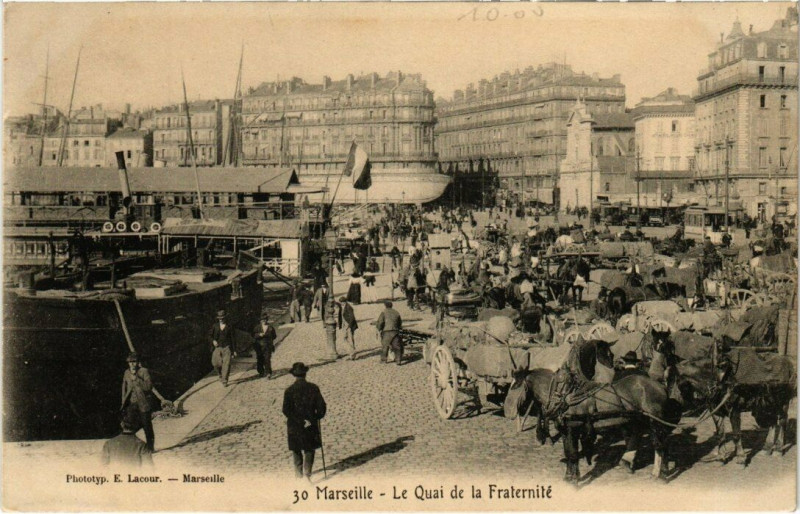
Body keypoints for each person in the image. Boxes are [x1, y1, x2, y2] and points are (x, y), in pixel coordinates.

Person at [282, 362, 327, 481]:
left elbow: (286, 410)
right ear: (305, 374)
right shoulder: (314, 388)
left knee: (296, 449)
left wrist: (298, 420)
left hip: (294, 425)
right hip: (310, 424)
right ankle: (307, 474)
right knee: (309, 449)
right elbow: (322, 407)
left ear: (294, 375)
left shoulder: (289, 391)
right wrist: (314, 418)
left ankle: (298, 475)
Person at [121, 352, 155, 452]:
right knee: (129, 426)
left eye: (134, 362)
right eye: (130, 362)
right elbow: (124, 386)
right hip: (132, 403)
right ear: (128, 363)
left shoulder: (144, 371)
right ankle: (132, 448)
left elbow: (148, 387)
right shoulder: (126, 373)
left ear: (138, 362)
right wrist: (123, 399)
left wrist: (138, 380)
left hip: (143, 403)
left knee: (147, 426)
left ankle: (150, 448)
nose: (132, 364)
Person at [211, 309, 235, 387]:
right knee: (215, 363)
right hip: (218, 347)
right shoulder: (215, 326)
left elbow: (233, 339)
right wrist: (213, 340)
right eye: (220, 318)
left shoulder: (229, 326)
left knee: (226, 364)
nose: (221, 320)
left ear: (225, 318)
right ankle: (220, 374)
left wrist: (234, 350)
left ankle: (225, 380)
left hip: (227, 347)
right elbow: (209, 336)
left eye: (222, 318)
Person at [375, 300, 403, 365]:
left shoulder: (384, 312)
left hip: (387, 331)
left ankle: (383, 360)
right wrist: (398, 328)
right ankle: (398, 360)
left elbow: (380, 322)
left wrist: (379, 329)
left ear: (385, 306)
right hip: (395, 331)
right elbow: (400, 323)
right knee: (397, 346)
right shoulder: (396, 312)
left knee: (385, 346)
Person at [253, 313, 277, 378]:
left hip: (268, 346)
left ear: (267, 320)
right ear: (260, 321)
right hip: (259, 346)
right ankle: (261, 371)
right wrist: (259, 335)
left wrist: (269, 340)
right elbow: (253, 336)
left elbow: (274, 336)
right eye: (262, 320)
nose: (264, 321)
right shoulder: (257, 328)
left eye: (265, 320)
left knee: (267, 359)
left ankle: (268, 373)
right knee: (260, 359)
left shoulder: (270, 328)